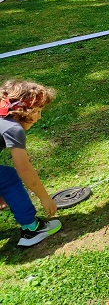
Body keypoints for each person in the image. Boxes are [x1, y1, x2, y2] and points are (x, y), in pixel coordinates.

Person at [0, 79, 62, 247]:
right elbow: (24, 170)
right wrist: (44, 197)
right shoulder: (13, 129)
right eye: (38, 111)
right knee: (8, 177)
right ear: (24, 109)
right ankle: (32, 228)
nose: (39, 117)